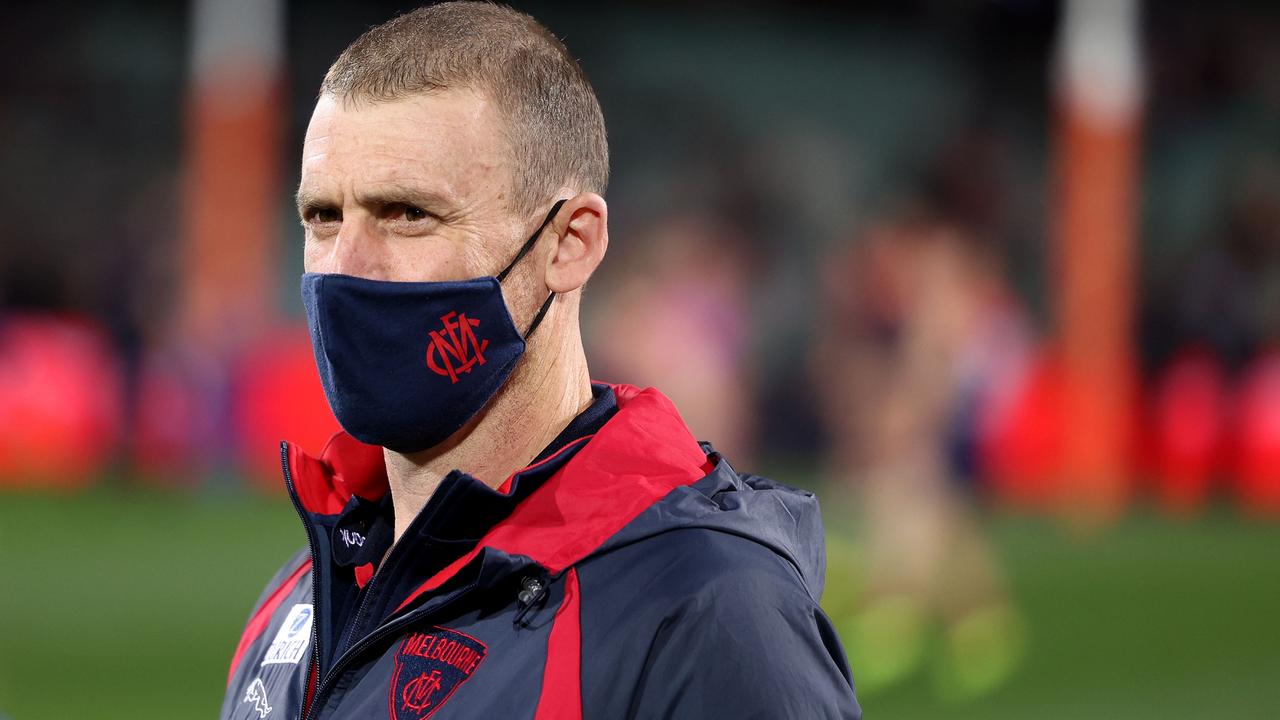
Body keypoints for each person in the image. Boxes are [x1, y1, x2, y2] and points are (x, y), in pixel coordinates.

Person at [220, 4, 860, 719]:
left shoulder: (706, 612)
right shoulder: (297, 601)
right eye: (323, 217)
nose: (346, 269)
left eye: (407, 213)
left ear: (569, 243)